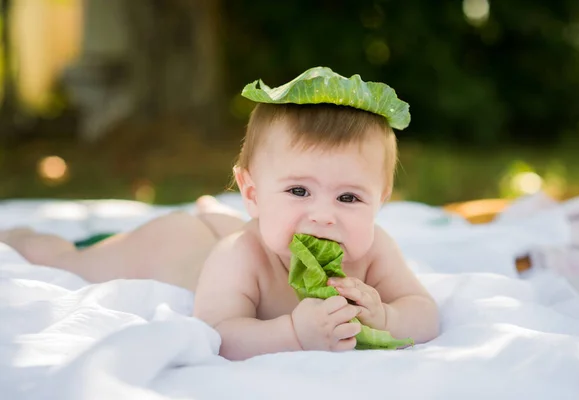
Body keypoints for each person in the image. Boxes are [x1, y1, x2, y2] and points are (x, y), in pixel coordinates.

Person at [0, 67, 440, 360]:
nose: (324, 216)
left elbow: (423, 310)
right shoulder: (240, 257)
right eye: (299, 190)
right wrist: (292, 333)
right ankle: (20, 237)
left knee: (261, 233)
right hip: (179, 249)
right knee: (70, 260)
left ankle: (221, 211)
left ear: (380, 199)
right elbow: (219, 331)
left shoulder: (375, 249)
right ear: (251, 191)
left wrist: (388, 317)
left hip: (242, 230)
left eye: (349, 198)